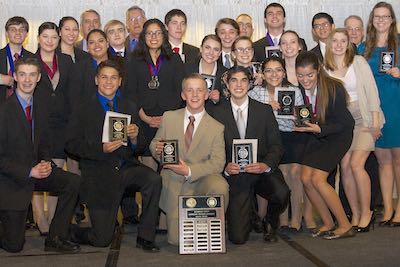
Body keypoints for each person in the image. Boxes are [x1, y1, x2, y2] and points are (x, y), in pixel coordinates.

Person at [66, 60, 162, 251]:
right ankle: (70, 231)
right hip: (99, 174)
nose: (108, 82)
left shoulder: (129, 106)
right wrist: (101, 148)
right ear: (96, 80)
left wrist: (135, 138)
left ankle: (146, 236)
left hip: (126, 166)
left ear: (120, 81)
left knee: (153, 179)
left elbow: (140, 146)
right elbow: (71, 144)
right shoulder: (83, 107)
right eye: (104, 77)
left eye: (113, 78)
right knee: (102, 239)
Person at [0, 57, 81, 253]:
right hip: (11, 180)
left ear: (38, 78)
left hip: (37, 171)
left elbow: (44, 141)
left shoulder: (41, 106)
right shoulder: (4, 111)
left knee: (72, 182)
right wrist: (29, 171)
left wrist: (46, 161)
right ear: (15, 77)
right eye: (22, 74)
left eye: (32, 75)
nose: (27, 80)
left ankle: (55, 237)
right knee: (14, 246)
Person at [209, 66, 289, 244]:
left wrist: (265, 165)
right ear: (227, 85)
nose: (239, 85)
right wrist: (225, 168)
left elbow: (276, 145)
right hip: (235, 176)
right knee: (237, 238)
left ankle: (270, 221)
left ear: (250, 84)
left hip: (259, 170)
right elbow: (210, 149)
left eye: (243, 80)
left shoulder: (264, 110)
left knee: (282, 193)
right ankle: (250, 214)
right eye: (234, 80)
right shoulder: (216, 113)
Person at [149, 73, 229, 245]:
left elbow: (218, 163)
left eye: (199, 90)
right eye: (189, 90)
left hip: (201, 181)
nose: (194, 95)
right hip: (173, 182)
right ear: (183, 95)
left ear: (206, 94)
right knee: (178, 241)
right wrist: (156, 148)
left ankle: (209, 224)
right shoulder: (169, 117)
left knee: (220, 185)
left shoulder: (217, 128)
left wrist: (190, 171)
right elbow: (155, 143)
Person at [325, 28, 384, 232]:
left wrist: (375, 122)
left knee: (357, 165)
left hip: (365, 119)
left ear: (349, 43)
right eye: (335, 41)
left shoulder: (358, 62)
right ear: (329, 43)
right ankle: (356, 212)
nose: (339, 44)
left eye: (343, 40)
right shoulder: (326, 67)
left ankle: (367, 212)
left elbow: (372, 92)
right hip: (344, 124)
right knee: (346, 167)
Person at [294, 51, 355, 239]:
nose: (305, 80)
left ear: (318, 70)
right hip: (316, 134)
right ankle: (327, 222)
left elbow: (346, 124)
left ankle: (345, 225)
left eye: (310, 75)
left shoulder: (334, 88)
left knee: (319, 180)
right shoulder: (299, 89)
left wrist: (320, 129)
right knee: (305, 178)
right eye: (301, 75)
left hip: (337, 136)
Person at [248, 57, 307, 233]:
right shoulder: (256, 93)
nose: (274, 74)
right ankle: (279, 219)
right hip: (269, 141)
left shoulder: (294, 91)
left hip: (292, 136)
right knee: (279, 175)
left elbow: (302, 118)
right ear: (263, 74)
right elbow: (250, 115)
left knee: (294, 174)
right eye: (269, 71)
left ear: (284, 72)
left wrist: (298, 117)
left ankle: (295, 219)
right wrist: (267, 107)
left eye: (278, 70)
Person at [358, 1, 400, 227]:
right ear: (372, 20)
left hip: (397, 104)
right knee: (383, 161)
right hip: (375, 109)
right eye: (377, 17)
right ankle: (388, 209)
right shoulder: (364, 48)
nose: (381, 20)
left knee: (398, 160)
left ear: (392, 20)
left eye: (385, 16)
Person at [124, 18, 184, 172]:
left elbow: (180, 91)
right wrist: (144, 117)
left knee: (169, 166)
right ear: (143, 36)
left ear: (164, 35)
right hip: (144, 119)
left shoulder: (174, 59)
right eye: (149, 33)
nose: (154, 37)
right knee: (148, 170)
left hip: (169, 120)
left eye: (157, 33)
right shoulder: (134, 60)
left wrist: (167, 117)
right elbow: (130, 92)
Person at [32, 22, 74, 235]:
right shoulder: (29, 61)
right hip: (37, 123)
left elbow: (70, 92)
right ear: (38, 38)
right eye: (45, 37)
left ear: (59, 40)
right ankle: (41, 222)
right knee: (39, 171)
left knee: (56, 172)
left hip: (62, 125)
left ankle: (53, 220)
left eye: (54, 37)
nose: (50, 41)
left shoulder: (66, 61)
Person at [279, 30, 316, 230]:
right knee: (284, 173)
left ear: (300, 45)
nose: (289, 46)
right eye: (284, 43)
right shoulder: (276, 71)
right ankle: (285, 219)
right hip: (283, 131)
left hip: (306, 130)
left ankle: (302, 217)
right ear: (280, 47)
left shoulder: (309, 68)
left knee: (300, 173)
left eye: (292, 42)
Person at [184, 34, 226, 107]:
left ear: (219, 53)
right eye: (207, 48)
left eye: (216, 49)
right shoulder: (186, 69)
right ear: (201, 48)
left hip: (216, 116)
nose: (211, 52)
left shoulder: (225, 73)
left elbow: (229, 102)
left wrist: (218, 100)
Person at [0, 16, 35, 104]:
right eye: (13, 29)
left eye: (22, 29)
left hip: (24, 108)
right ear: (7, 33)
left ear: (26, 34)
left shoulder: (33, 58)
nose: (18, 33)